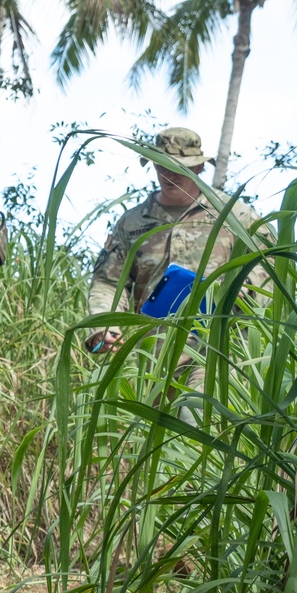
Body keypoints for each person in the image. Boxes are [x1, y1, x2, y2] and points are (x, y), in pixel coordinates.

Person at [84, 127, 270, 403]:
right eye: (162, 167)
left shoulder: (234, 215)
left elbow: (269, 261)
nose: (169, 176)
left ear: (198, 167)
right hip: (156, 355)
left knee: (195, 414)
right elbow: (108, 282)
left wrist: (247, 286)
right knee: (159, 436)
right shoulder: (132, 223)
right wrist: (104, 324)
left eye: (179, 168)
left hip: (220, 346)